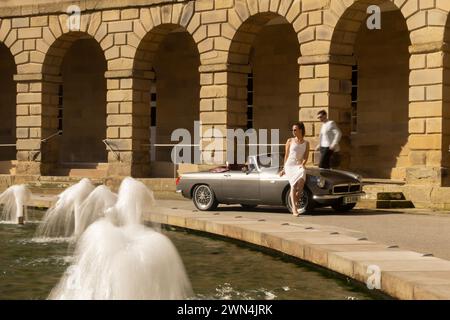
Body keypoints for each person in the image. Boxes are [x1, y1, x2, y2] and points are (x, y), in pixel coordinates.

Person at [279, 122, 309, 216]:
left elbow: (306, 156)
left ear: (301, 130)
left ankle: (296, 197)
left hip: (299, 165)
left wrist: (303, 164)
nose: (293, 131)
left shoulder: (306, 143)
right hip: (289, 165)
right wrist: (284, 168)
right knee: (293, 185)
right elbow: (286, 155)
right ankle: (295, 209)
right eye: (292, 130)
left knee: (301, 183)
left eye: (295, 130)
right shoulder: (289, 141)